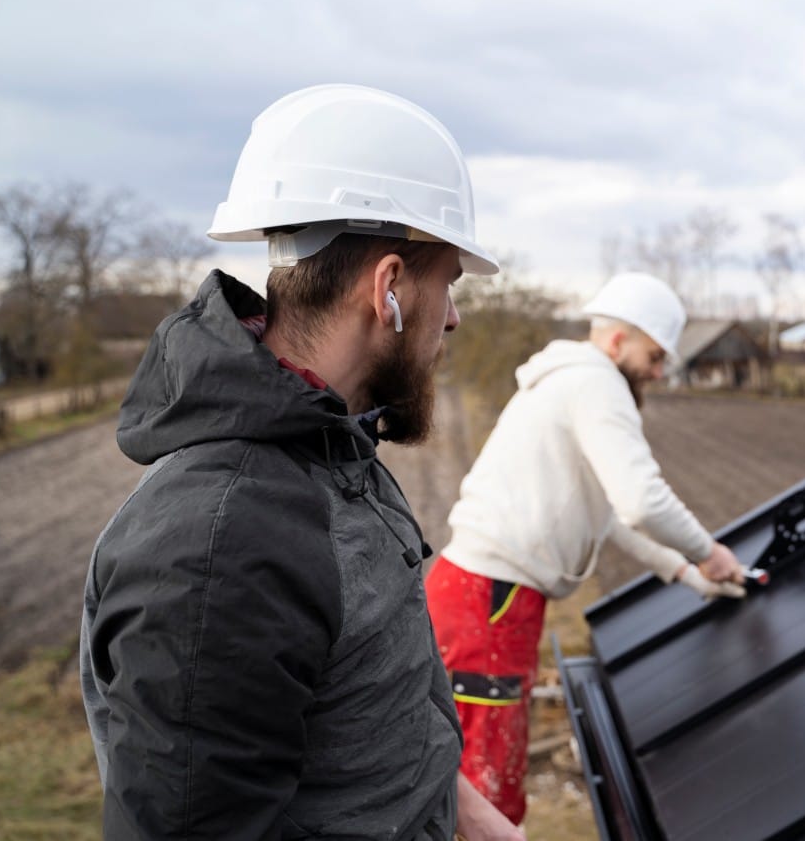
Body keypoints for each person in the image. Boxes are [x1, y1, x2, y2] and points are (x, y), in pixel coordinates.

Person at [79, 84, 522, 840]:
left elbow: (364, 705)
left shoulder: (336, 449)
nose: (452, 314)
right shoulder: (223, 548)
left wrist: (470, 816)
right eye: (447, 282)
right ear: (387, 288)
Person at [425, 271, 748, 824]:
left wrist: (687, 575)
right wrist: (708, 552)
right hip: (490, 602)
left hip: (481, 593)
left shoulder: (571, 382)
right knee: (488, 790)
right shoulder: (598, 384)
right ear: (619, 340)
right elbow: (641, 500)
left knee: (469, 783)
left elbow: (608, 517)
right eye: (653, 354)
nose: (659, 370)